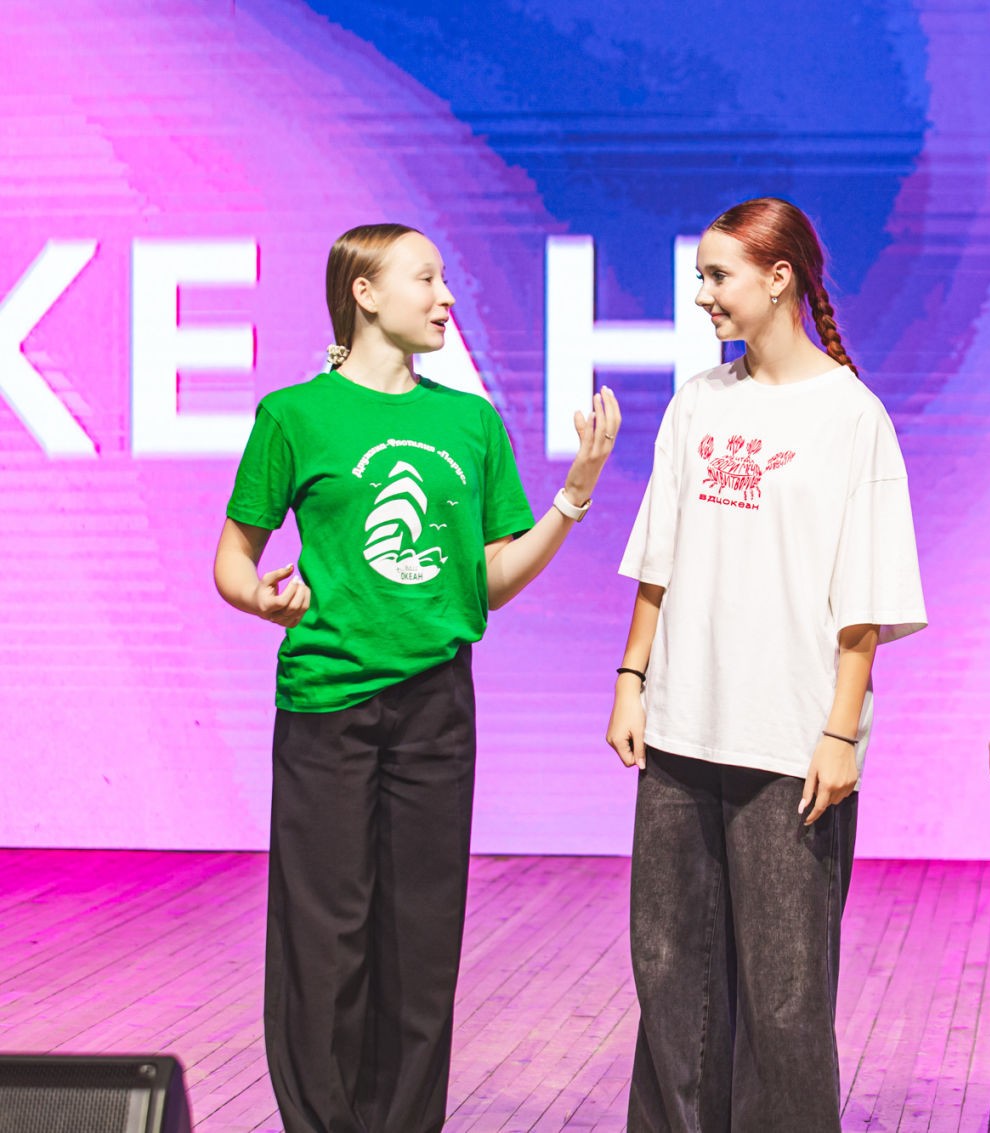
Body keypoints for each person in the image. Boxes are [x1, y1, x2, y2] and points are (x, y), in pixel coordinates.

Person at [214, 223, 620, 1132]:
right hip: (328, 703)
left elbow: (491, 580)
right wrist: (262, 599)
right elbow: (233, 559)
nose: (445, 297)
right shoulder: (295, 415)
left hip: (437, 704)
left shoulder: (468, 422)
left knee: (421, 937)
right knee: (324, 936)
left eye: (444, 279)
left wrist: (574, 493)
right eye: (425, 278)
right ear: (364, 293)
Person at [607, 197, 927, 1132]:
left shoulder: (851, 415)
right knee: (668, 970)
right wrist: (632, 679)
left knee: (786, 995)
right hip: (679, 730)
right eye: (700, 277)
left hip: (790, 741)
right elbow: (659, 559)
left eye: (719, 276)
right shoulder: (698, 401)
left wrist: (839, 731)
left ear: (779, 278)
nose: (702, 294)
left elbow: (864, 599)